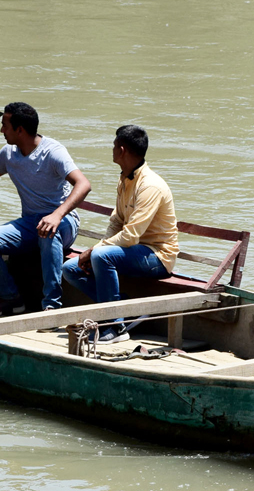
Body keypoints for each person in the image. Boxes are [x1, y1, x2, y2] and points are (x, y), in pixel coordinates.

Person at [62, 125, 178, 343]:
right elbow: (117, 222)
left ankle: (114, 327)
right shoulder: (125, 178)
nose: (112, 149)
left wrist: (95, 250)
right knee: (70, 269)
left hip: (157, 256)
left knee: (100, 256)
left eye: (114, 145)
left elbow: (131, 235)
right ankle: (123, 308)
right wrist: (98, 249)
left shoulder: (150, 186)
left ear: (122, 150)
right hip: (131, 252)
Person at [0, 102, 91, 314]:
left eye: (5, 126)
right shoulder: (9, 153)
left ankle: (51, 307)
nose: (1, 131)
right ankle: (11, 298)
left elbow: (83, 185)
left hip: (63, 221)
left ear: (20, 130)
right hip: (30, 223)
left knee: (48, 232)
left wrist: (56, 215)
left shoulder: (53, 152)